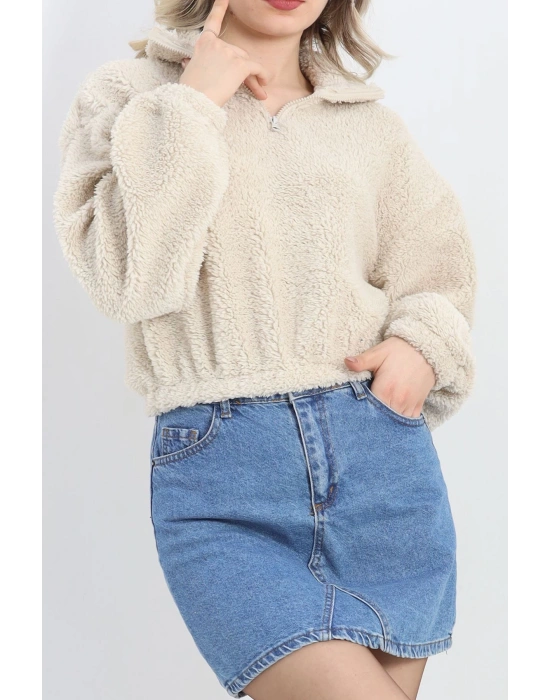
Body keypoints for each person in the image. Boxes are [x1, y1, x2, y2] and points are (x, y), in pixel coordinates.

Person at [53, 0, 477, 698]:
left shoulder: (369, 124)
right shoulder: (130, 97)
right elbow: (129, 281)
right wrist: (192, 105)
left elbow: (439, 267)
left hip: (381, 470)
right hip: (225, 484)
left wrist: (421, 345)